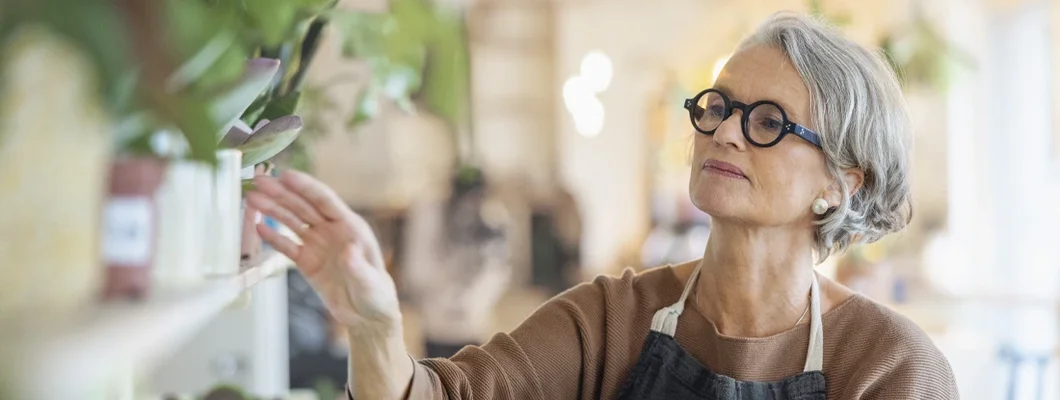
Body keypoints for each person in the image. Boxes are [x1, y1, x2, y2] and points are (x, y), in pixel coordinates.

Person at [246, 12, 958, 400]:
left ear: (844, 181)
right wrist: (373, 324)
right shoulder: (611, 320)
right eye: (718, 107)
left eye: (768, 121)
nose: (725, 131)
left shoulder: (891, 367)